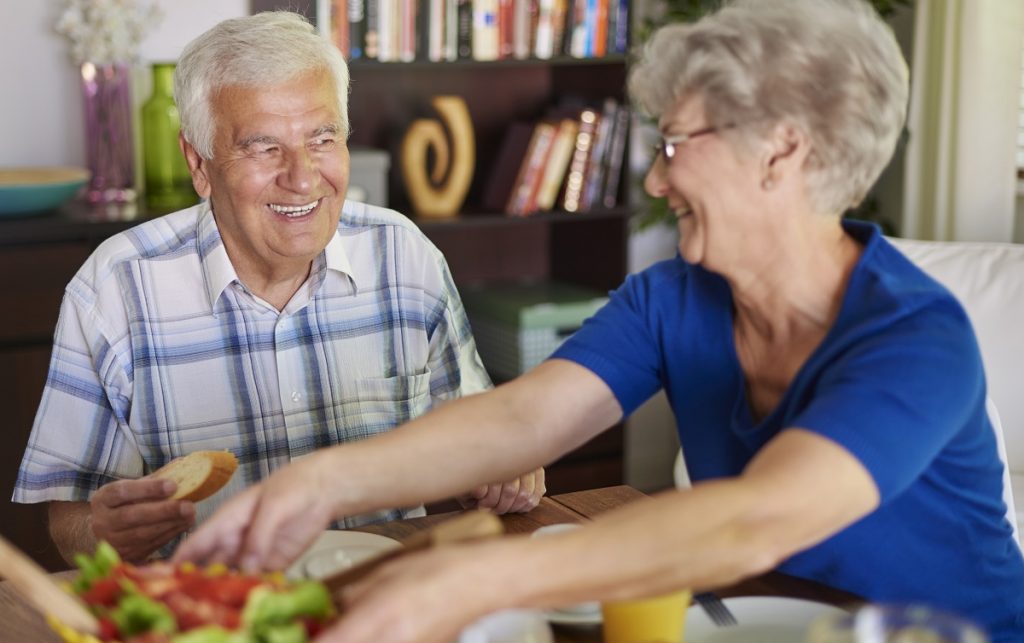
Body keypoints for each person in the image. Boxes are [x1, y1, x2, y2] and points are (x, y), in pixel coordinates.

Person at [177, 0, 1024, 640]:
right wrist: (321, 481)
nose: (655, 183)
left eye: (675, 143)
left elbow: (753, 516)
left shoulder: (916, 337)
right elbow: (521, 419)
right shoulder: (676, 298)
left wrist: (477, 579)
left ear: (781, 151)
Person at [12, 11, 543, 566]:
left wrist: (504, 465)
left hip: (381, 598)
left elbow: (479, 438)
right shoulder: (114, 289)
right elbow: (69, 517)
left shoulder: (404, 255)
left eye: (322, 138)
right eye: (263, 148)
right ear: (199, 163)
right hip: (212, 612)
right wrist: (105, 531)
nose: (304, 177)